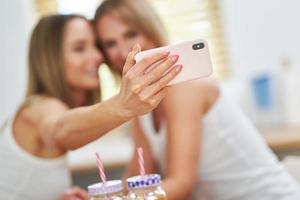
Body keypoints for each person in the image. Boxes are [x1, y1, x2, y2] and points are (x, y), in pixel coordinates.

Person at [93, 0, 300, 199]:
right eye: (110, 43)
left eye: (131, 34)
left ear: (152, 31)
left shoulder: (183, 87)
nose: (123, 51)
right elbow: (138, 176)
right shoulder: (142, 101)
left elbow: (181, 184)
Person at [0, 14, 181, 200]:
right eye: (79, 48)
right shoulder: (38, 108)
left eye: (96, 46)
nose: (97, 56)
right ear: (51, 58)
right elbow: (59, 130)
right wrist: (123, 105)